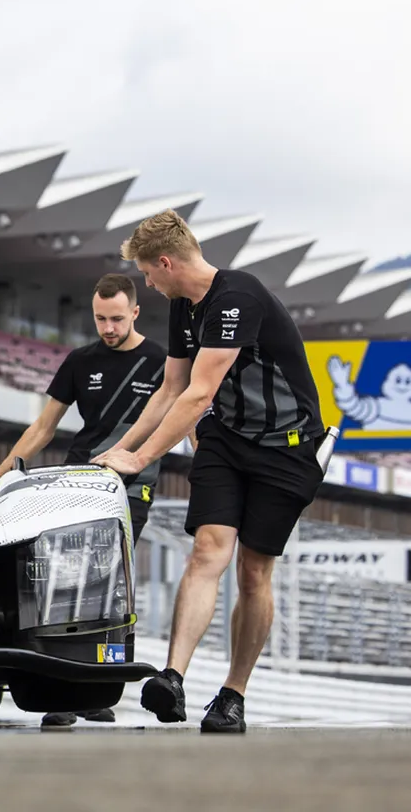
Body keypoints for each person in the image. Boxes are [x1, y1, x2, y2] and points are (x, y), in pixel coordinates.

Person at [94, 209, 325, 733]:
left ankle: (232, 696)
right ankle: (172, 678)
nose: (147, 284)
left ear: (167, 262)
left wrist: (142, 459)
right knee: (207, 550)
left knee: (252, 571)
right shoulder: (184, 306)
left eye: (149, 274)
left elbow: (198, 393)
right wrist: (119, 449)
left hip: (287, 447)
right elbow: (170, 390)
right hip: (226, 438)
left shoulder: (237, 298)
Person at [0, 272, 168, 727]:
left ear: (135, 312)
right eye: (100, 319)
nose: (108, 328)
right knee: (63, 586)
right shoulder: (80, 361)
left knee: (108, 587)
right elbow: (42, 428)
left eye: (117, 319)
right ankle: (63, 694)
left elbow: (186, 417)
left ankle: (94, 690)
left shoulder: (161, 361)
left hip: (129, 489)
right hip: (78, 484)